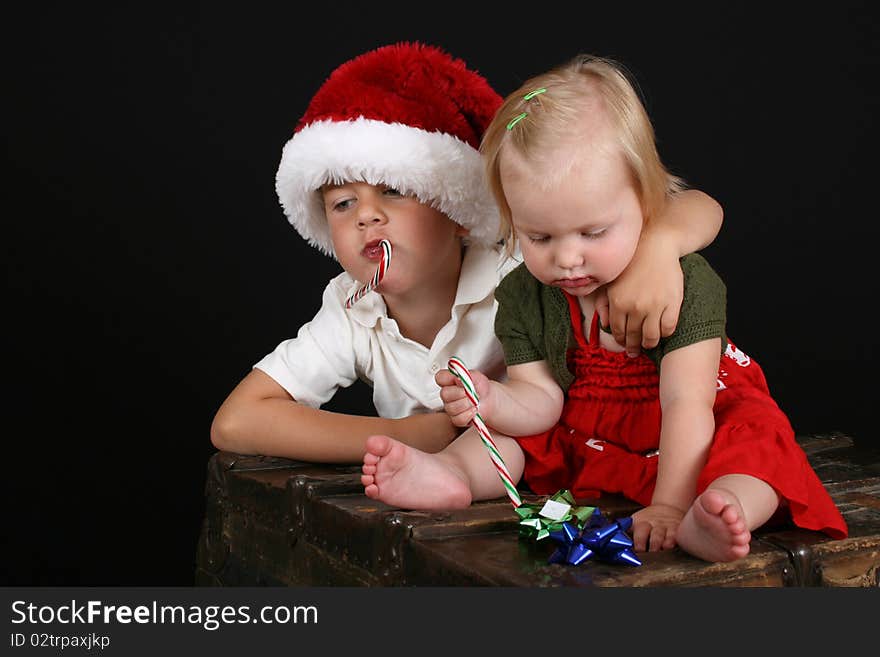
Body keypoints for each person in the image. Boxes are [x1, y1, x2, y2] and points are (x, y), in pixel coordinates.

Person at [361, 54, 847, 562]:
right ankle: (453, 474)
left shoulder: (685, 282)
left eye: (593, 233)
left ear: (645, 200)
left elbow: (687, 404)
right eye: (539, 236)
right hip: (589, 430)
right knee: (516, 438)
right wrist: (491, 402)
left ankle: (723, 514)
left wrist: (669, 506)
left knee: (755, 450)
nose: (568, 260)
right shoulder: (526, 296)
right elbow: (539, 399)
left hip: (686, 425)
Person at [211, 43, 724, 465]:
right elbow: (236, 423)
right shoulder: (352, 310)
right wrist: (414, 435)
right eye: (343, 204)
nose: (366, 216)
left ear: (454, 206)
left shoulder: (525, 264)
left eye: (393, 191)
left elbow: (693, 206)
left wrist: (659, 247)